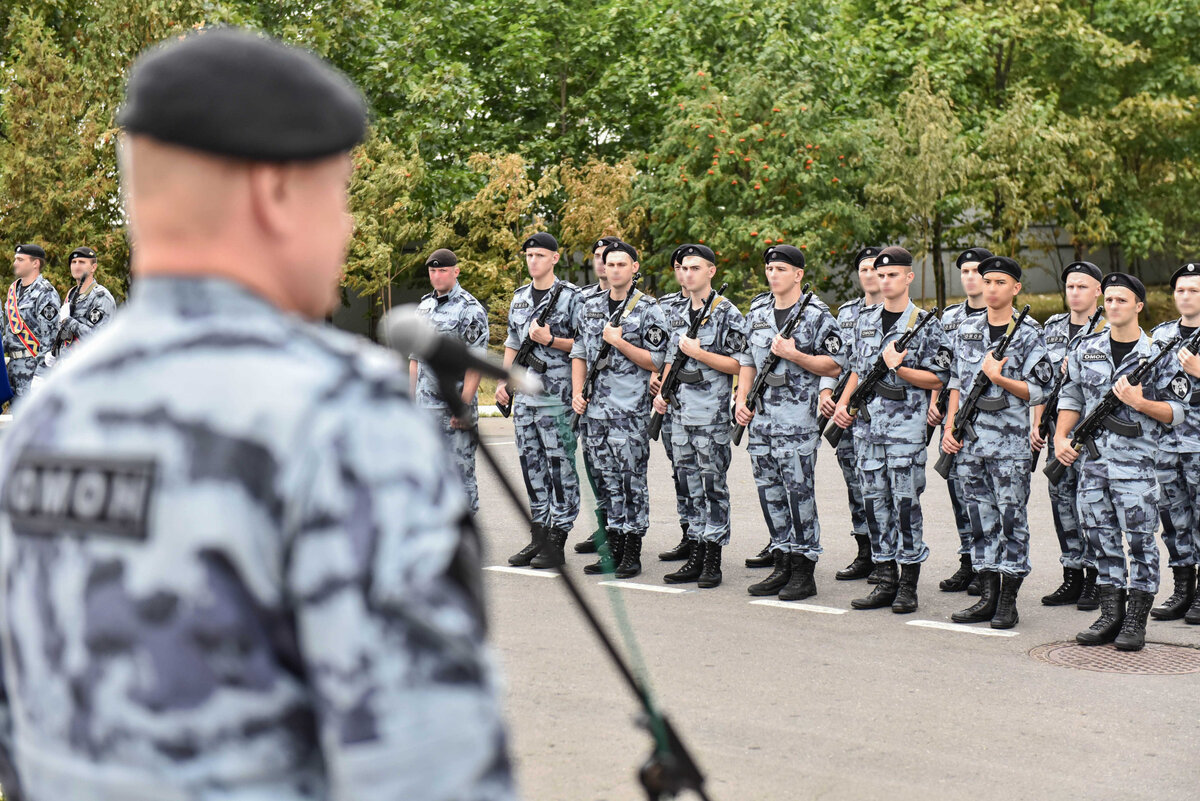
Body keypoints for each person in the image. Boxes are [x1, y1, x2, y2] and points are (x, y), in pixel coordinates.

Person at [0, 29, 514, 800]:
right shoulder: (339, 415)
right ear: (275, 193)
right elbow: (431, 770)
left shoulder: (47, 414)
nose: (344, 228)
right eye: (337, 193)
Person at [1056, 272, 1187, 651]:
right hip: (1093, 466)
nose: (1113, 306)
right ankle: (1110, 613)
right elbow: (1072, 398)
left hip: (1137, 468)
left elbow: (1177, 411)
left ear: (1138, 307)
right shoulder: (1087, 348)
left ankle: (1135, 620)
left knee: (1141, 543)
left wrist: (1139, 402)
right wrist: (1063, 437)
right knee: (1101, 539)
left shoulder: (1157, 354)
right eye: (1109, 300)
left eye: (1122, 301)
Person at [831, 246, 951, 614]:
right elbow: (854, 368)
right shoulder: (865, 322)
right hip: (867, 430)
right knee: (875, 505)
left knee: (904, 506)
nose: (885, 281)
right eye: (880, 276)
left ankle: (908, 584)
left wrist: (899, 370)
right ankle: (884, 578)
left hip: (905, 432)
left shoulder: (925, 324)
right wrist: (844, 403)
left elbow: (940, 377)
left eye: (892, 275)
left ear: (908, 278)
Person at [940, 256, 1053, 629]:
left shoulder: (1029, 334)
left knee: (1010, 520)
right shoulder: (966, 328)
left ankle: (1008, 600)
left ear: (1016, 288)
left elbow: (1039, 390)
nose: (991, 288)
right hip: (971, 444)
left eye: (1000, 282)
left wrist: (999, 379)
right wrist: (950, 428)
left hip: (1009, 449)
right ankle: (987, 596)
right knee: (980, 521)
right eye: (987, 281)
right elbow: (956, 382)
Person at [734, 245, 842, 599]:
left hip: (798, 422)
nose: (773, 274)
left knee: (799, 496)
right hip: (762, 421)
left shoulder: (816, 315)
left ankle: (803, 570)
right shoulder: (759, 311)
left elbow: (835, 364)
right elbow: (747, 359)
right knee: (771, 495)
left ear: (798, 274)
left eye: (781, 268)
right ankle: (781, 563)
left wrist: (795, 354)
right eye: (769, 268)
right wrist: (742, 398)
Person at [652, 244, 748, 588]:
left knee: (712, 485)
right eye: (684, 267)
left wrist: (700, 353)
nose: (688, 273)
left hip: (709, 415)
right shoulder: (674, 310)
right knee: (687, 483)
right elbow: (666, 356)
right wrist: (662, 393)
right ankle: (694, 550)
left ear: (711, 272)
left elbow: (739, 363)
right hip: (678, 413)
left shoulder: (726, 313)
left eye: (696, 267)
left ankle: (712, 559)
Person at [571, 241, 668, 577]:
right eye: (609, 264)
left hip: (629, 412)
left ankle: (632, 550)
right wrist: (576, 393)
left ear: (634, 268)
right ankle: (612, 546)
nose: (614, 270)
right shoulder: (590, 306)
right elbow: (580, 353)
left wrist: (620, 342)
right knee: (607, 482)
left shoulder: (649, 310)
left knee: (630, 481)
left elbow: (656, 358)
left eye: (621, 264)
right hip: (595, 412)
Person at [499, 232, 582, 569]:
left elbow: (584, 345)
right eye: (529, 255)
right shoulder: (520, 298)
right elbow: (513, 342)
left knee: (560, 466)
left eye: (539, 255)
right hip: (526, 401)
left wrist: (552, 339)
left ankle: (558, 537)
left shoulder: (571, 298)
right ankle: (539, 536)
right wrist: (504, 380)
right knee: (531, 466)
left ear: (555, 258)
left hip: (556, 397)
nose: (533, 260)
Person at [1031, 261, 1105, 609]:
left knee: (1092, 507)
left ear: (1097, 291)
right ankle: (1072, 576)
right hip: (1057, 432)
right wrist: (1036, 423)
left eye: (1082, 286)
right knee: (1062, 502)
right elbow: (1042, 381)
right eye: (1070, 286)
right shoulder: (1054, 328)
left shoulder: (1108, 327)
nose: (1074, 292)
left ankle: (1095, 579)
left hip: (1093, 436)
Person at [927, 247, 991, 595]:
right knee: (959, 495)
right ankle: (968, 560)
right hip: (953, 420)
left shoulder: (1007, 321)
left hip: (991, 425)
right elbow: (942, 369)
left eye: (976, 271)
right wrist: (934, 404)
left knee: (988, 501)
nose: (970, 277)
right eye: (964, 271)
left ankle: (987, 567)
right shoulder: (949, 319)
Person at [410, 247, 490, 513]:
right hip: (425, 409)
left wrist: (463, 405)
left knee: (461, 475)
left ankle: (465, 543)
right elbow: (415, 360)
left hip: (453, 411)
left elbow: (475, 364)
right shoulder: (424, 307)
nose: (437, 276)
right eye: (432, 271)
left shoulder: (470, 309)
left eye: (442, 270)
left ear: (456, 271)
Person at [818, 247, 881, 581]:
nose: (868, 274)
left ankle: (886, 555)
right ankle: (864, 551)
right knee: (854, 484)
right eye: (863, 269)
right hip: (844, 412)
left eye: (875, 268)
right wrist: (826, 392)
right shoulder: (845, 314)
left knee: (879, 487)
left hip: (877, 412)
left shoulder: (896, 315)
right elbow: (835, 360)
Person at [1149, 262, 1200, 623]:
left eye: (1193, 290)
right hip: (1167, 446)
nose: (1185, 296)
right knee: (1174, 520)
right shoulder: (1162, 335)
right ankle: (1183, 588)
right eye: (1180, 290)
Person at [573, 235, 622, 555]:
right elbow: (573, 345)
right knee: (594, 465)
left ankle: (621, 531)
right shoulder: (583, 299)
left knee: (621, 469)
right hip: (588, 397)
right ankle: (603, 524)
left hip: (621, 400)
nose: (602, 261)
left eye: (609, 256)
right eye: (598, 256)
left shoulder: (633, 302)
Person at [652, 246, 694, 562]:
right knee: (679, 471)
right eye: (679, 266)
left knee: (699, 473)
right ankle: (687, 532)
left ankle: (700, 538)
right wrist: (653, 377)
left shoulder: (711, 307)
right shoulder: (663, 306)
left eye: (689, 266)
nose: (683, 272)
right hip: (667, 402)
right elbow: (654, 348)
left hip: (695, 403)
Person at [34, 246, 118, 380]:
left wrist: (69, 321)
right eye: (73, 262)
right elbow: (66, 335)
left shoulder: (101, 297)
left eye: (82, 262)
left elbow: (98, 339)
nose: (76, 266)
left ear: (93, 267)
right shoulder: (72, 294)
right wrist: (55, 353)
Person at [4, 243, 61, 399]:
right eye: (16, 259)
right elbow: (10, 332)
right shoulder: (13, 291)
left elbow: (51, 338)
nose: (15, 263)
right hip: (13, 371)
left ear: (35, 263)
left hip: (34, 373)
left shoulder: (45, 292)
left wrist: (41, 375)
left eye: (20, 259)